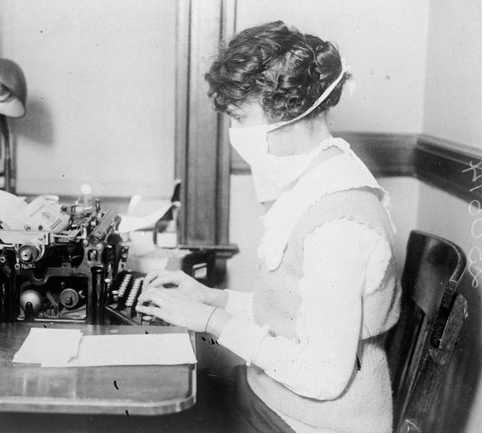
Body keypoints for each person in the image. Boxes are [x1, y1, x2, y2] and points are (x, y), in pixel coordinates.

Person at [136, 21, 400, 433]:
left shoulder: (339, 222)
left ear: (289, 111)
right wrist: (213, 299)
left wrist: (211, 322)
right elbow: (294, 313)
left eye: (240, 118)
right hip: (277, 400)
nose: (235, 134)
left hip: (314, 423)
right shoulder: (315, 183)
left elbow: (322, 377)